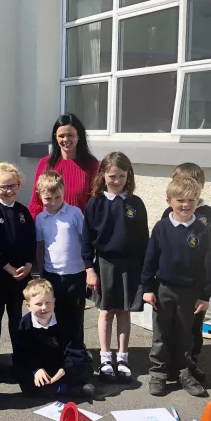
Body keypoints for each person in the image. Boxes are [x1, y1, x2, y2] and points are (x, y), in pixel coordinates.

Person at [141, 176, 211, 398]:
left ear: (197, 200)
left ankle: (184, 372)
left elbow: (207, 264)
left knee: (185, 335)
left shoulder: (201, 229)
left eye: (192, 199)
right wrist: (147, 287)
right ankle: (159, 373)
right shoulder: (162, 228)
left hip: (189, 293)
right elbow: (150, 259)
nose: (186, 204)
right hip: (163, 289)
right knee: (161, 335)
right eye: (180, 199)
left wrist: (204, 295)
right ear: (169, 201)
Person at [82, 152, 149, 383]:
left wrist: (144, 272)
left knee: (124, 310)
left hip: (130, 265)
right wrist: (89, 270)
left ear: (128, 175)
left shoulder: (135, 203)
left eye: (122, 175)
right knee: (106, 311)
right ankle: (104, 357)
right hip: (104, 264)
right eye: (112, 176)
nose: (117, 180)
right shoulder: (95, 203)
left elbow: (143, 240)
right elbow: (86, 239)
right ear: (103, 175)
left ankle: (122, 356)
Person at [160, 162, 211, 382]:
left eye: (194, 186)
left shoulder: (209, 216)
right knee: (170, 325)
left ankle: (191, 362)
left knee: (194, 325)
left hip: (198, 283)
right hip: (171, 283)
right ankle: (169, 363)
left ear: (201, 186)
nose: (187, 194)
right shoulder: (169, 214)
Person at [0, 163, 36, 376]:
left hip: (20, 276)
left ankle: (17, 356)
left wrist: (29, 265)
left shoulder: (23, 212)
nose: (9, 190)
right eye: (4, 186)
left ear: (19, 185)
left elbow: (31, 240)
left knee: (16, 317)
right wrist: (9, 268)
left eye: (13, 185)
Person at [13, 279, 94, 399]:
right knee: (24, 378)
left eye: (48, 303)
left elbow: (74, 348)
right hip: (40, 367)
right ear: (28, 306)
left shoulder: (64, 320)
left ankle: (63, 387)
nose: (44, 308)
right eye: (38, 304)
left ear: (54, 302)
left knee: (84, 363)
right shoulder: (25, 324)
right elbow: (23, 353)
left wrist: (65, 369)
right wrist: (37, 370)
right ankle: (68, 389)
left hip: (61, 365)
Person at [34, 171, 86, 345]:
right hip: (52, 275)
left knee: (76, 315)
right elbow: (40, 247)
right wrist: (41, 273)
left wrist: (89, 268)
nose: (54, 202)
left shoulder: (74, 213)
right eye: (48, 198)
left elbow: (85, 241)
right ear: (40, 195)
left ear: (64, 192)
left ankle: (77, 352)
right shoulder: (40, 219)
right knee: (54, 314)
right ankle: (60, 351)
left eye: (58, 197)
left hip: (76, 274)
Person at [28, 114, 99, 219]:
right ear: (55, 137)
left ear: (79, 136)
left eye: (70, 135)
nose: (65, 139)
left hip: (79, 229)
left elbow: (95, 203)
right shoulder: (45, 163)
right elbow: (36, 203)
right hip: (49, 229)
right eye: (61, 136)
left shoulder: (91, 163)